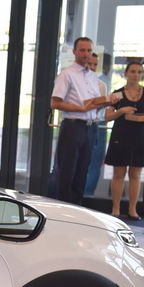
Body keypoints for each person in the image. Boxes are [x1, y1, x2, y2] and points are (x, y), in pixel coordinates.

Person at [50, 37, 119, 205]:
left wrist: (107, 103)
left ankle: (77, 209)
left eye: (89, 50)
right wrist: (79, 109)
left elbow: (92, 105)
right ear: (74, 52)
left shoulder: (93, 77)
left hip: (90, 127)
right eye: (82, 50)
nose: (86, 54)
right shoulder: (67, 75)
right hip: (73, 127)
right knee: (67, 172)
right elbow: (55, 103)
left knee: (82, 172)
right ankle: (63, 210)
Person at [104, 61, 144, 219]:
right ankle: (116, 209)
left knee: (136, 174)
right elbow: (107, 117)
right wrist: (121, 111)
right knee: (118, 173)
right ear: (125, 74)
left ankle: (133, 209)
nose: (136, 75)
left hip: (140, 136)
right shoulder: (117, 94)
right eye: (132, 71)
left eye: (139, 72)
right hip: (121, 135)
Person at [83, 52, 110, 196]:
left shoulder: (101, 85)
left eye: (95, 64)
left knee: (94, 163)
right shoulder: (73, 82)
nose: (93, 67)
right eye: (90, 64)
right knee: (76, 162)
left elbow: (101, 110)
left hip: (96, 124)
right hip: (78, 123)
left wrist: (103, 104)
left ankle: (88, 195)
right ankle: (72, 197)